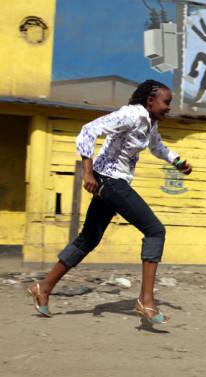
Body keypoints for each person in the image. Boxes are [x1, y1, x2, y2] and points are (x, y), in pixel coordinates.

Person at [27, 80, 192, 326]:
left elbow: (157, 147)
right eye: (166, 102)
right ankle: (145, 301)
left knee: (89, 238)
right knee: (155, 230)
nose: (170, 107)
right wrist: (88, 172)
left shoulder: (149, 123)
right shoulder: (130, 115)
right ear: (150, 101)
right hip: (110, 180)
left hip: (113, 181)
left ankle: (44, 287)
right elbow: (88, 130)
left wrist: (177, 162)